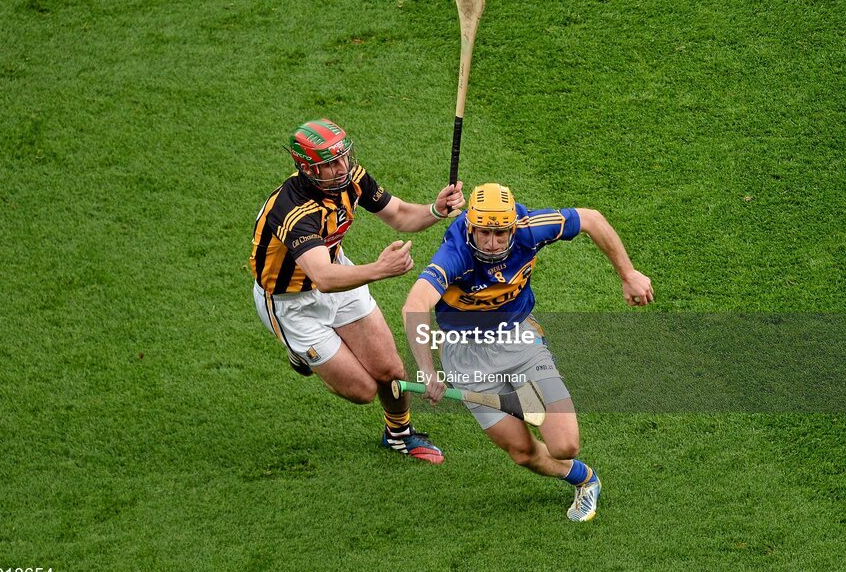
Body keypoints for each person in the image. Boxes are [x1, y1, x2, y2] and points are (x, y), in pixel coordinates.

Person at [401, 183, 653, 519]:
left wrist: (628, 273)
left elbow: (591, 219)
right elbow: (414, 306)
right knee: (521, 452)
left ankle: (527, 399)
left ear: (512, 227)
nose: (492, 244)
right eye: (483, 234)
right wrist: (428, 371)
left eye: (501, 234)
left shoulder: (530, 228)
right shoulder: (455, 253)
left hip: (519, 340)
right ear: (471, 227)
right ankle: (585, 479)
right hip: (465, 356)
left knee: (565, 445)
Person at [250, 118, 464, 464]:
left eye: (343, 158)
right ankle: (301, 354)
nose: (340, 168)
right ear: (305, 169)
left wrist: (436, 210)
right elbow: (323, 277)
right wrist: (381, 270)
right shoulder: (291, 210)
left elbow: (399, 215)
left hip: (340, 274)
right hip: (292, 303)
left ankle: (399, 435)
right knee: (363, 390)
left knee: (391, 372)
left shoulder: (351, 178)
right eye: (329, 164)